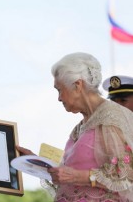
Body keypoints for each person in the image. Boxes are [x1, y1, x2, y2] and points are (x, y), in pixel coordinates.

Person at [17, 52, 133, 201]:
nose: (59, 98)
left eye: (60, 90)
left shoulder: (110, 117)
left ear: (78, 85)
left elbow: (126, 173)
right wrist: (36, 162)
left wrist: (77, 176)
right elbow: (70, 173)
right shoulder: (82, 125)